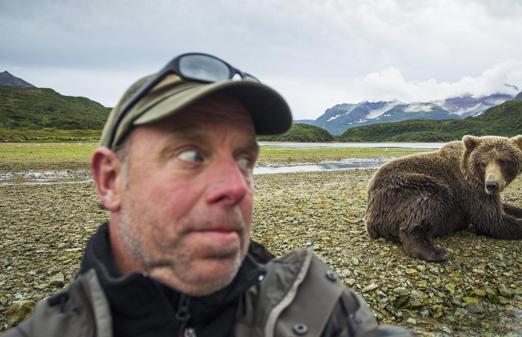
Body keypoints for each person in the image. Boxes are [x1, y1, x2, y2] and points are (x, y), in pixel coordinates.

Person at [3, 53, 415, 337]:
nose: (237, 187)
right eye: (190, 154)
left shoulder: (317, 306)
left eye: (244, 161)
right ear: (110, 181)